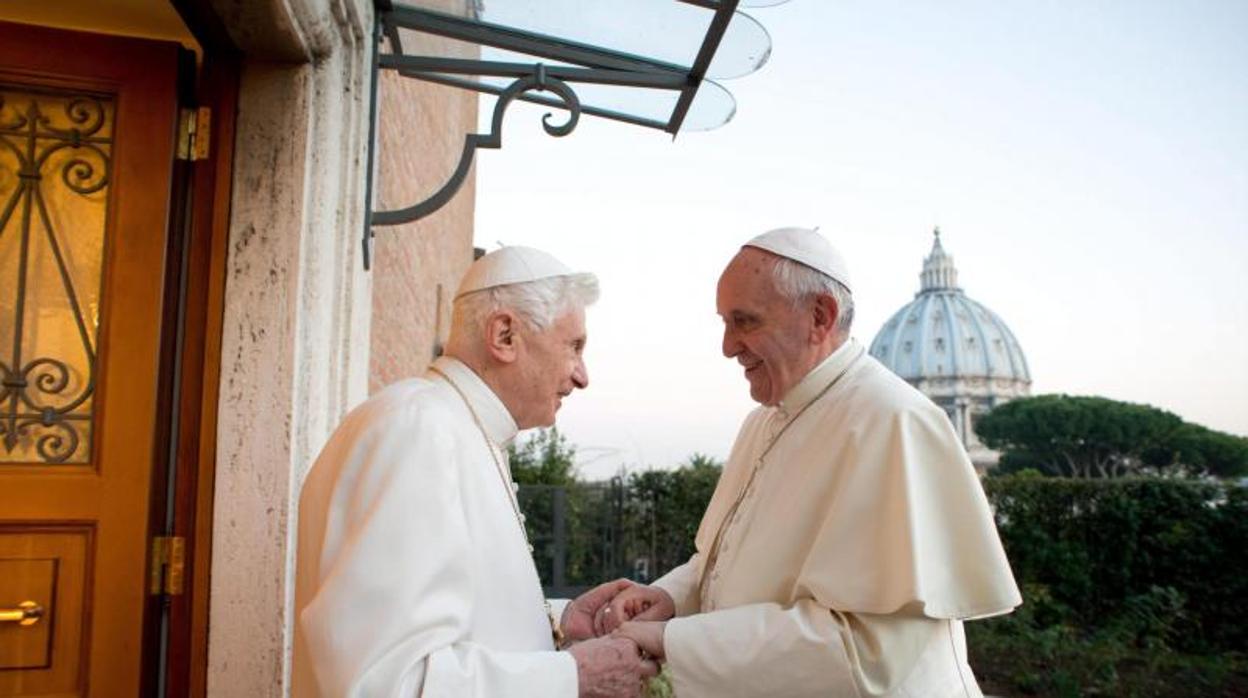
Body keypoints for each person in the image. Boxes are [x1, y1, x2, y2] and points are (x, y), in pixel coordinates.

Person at [593, 228, 1022, 697]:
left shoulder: (893, 422)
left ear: (820, 315)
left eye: (745, 321)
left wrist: (672, 642)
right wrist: (669, 599)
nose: (727, 345)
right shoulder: (764, 421)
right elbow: (721, 564)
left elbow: (867, 650)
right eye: (724, 322)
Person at [292, 246, 656, 697]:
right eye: (574, 347)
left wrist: (559, 620)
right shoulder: (421, 430)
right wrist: (572, 677)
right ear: (504, 334)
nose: (583, 376)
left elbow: (459, 621)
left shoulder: (455, 427)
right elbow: (386, 682)